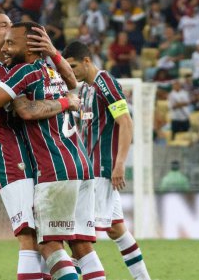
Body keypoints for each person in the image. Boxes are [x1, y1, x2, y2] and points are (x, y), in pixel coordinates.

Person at [0, 22, 105, 280]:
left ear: (30, 46)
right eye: (5, 38)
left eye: (12, 41)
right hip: (81, 164)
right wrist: (66, 98)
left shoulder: (22, 72)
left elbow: (18, 109)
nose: (6, 47)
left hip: (55, 168)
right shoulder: (52, 70)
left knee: (47, 244)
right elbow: (72, 81)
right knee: (80, 245)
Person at [62, 41, 151, 280]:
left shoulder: (106, 83)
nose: (70, 72)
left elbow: (126, 122)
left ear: (87, 61)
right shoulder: (85, 89)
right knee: (117, 230)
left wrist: (120, 163)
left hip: (102, 169)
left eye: (73, 66)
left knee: (81, 237)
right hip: (90, 170)